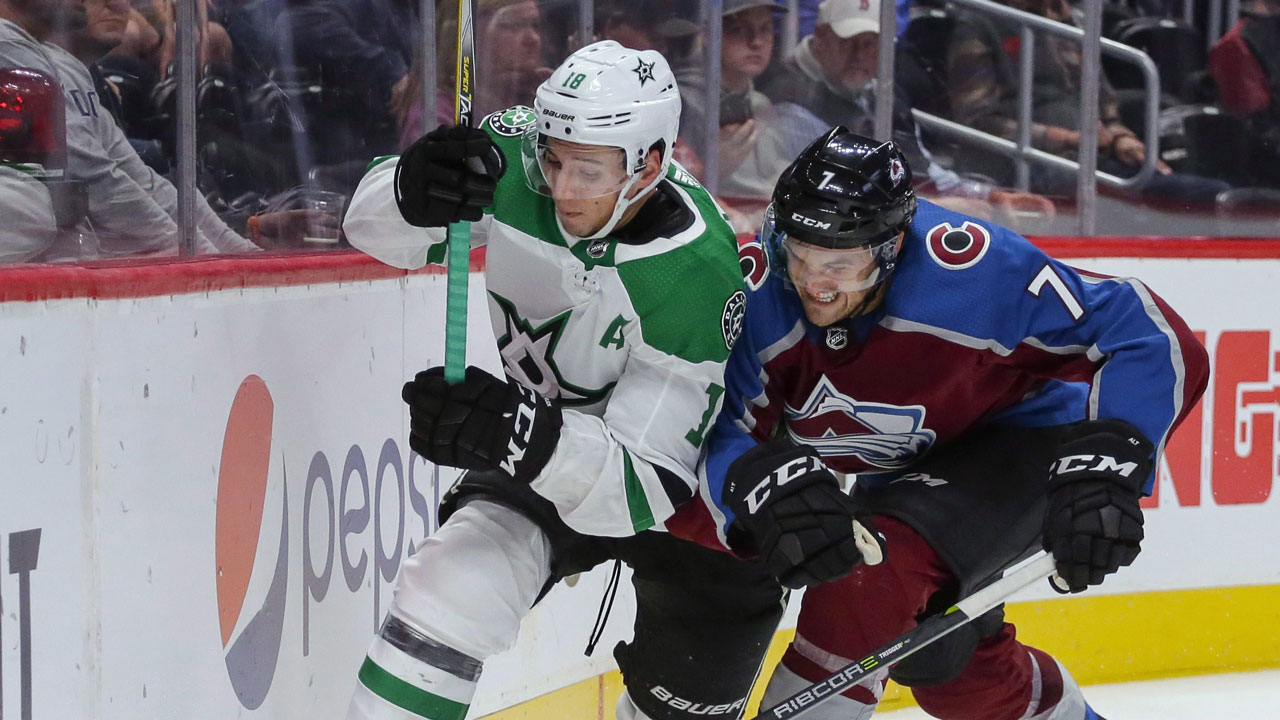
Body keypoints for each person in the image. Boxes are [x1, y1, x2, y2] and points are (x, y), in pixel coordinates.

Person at [341, 40, 842, 720]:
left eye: (589, 171)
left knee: (682, 703)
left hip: (696, 493)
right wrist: (408, 190)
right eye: (552, 160)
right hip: (553, 444)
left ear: (652, 166)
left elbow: (647, 483)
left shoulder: (693, 270)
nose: (563, 190)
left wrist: (509, 429)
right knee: (450, 589)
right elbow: (371, 231)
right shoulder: (513, 159)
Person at [688, 127, 1209, 720]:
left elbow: (1145, 332)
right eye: (800, 254)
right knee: (946, 664)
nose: (814, 283)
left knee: (867, 583)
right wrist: (757, 489)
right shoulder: (757, 290)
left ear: (890, 250)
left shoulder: (971, 272)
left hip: (1020, 441)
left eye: (840, 264)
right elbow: (716, 425)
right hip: (908, 476)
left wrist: (1109, 468)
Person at [0, 0, 260, 259]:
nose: (120, 4)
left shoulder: (62, 65)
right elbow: (94, 178)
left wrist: (239, 254)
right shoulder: (8, 45)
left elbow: (140, 181)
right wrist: (199, 259)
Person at [763, 0, 1054, 225]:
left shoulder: (879, 93)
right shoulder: (790, 97)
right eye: (848, 41)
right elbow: (842, 198)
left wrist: (985, 194)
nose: (859, 55)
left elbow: (922, 166)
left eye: (870, 44)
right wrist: (935, 205)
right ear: (821, 37)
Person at [946, 0, 1230, 207]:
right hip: (1026, 166)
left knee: (1214, 194)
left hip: (1091, 159)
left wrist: (1121, 137)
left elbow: (1102, 100)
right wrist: (1066, 139)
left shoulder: (1072, 22)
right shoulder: (978, 24)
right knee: (1185, 197)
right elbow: (976, 122)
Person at [676, 0, 829, 223]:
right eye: (739, 29)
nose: (756, 41)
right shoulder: (682, 104)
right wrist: (709, 170)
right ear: (710, 33)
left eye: (765, 29)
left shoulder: (763, 105)